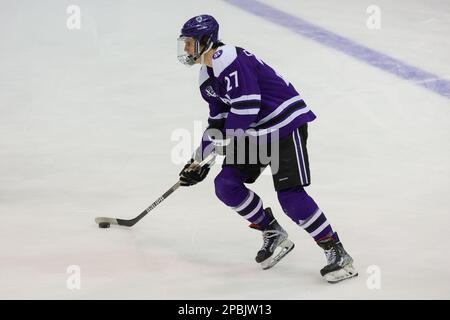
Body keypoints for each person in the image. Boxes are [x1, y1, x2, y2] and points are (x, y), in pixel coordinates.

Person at [176, 14, 357, 283]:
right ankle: (272, 232)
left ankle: (337, 251)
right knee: (226, 184)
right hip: (254, 130)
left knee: (290, 196)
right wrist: (199, 159)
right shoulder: (206, 76)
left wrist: (221, 145)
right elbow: (218, 120)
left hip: (283, 125)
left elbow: (246, 107)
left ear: (206, 40)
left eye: (190, 43)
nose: (186, 49)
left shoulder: (229, 58)